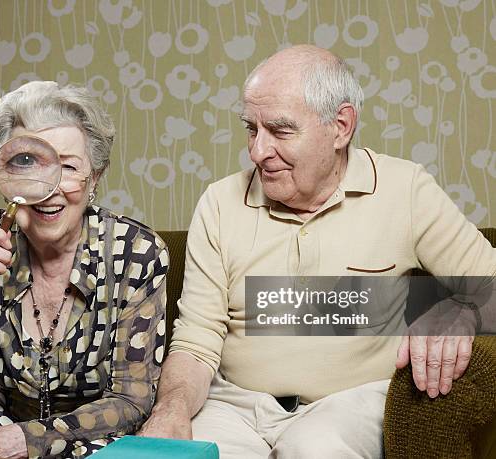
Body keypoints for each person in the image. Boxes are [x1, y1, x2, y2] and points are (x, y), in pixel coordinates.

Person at [139, 45, 496, 457]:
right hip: (234, 407)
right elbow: (197, 337)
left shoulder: (406, 190)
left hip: (346, 406)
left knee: (312, 450)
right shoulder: (220, 202)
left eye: (280, 130)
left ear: (341, 126)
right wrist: (171, 409)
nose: (258, 151)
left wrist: (463, 310)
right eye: (251, 129)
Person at [0, 81, 169, 459]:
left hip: (92, 430)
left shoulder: (136, 253)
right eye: (27, 163)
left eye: (67, 166)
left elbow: (132, 401)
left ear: (93, 178)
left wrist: (29, 439)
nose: (48, 188)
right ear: (5, 177)